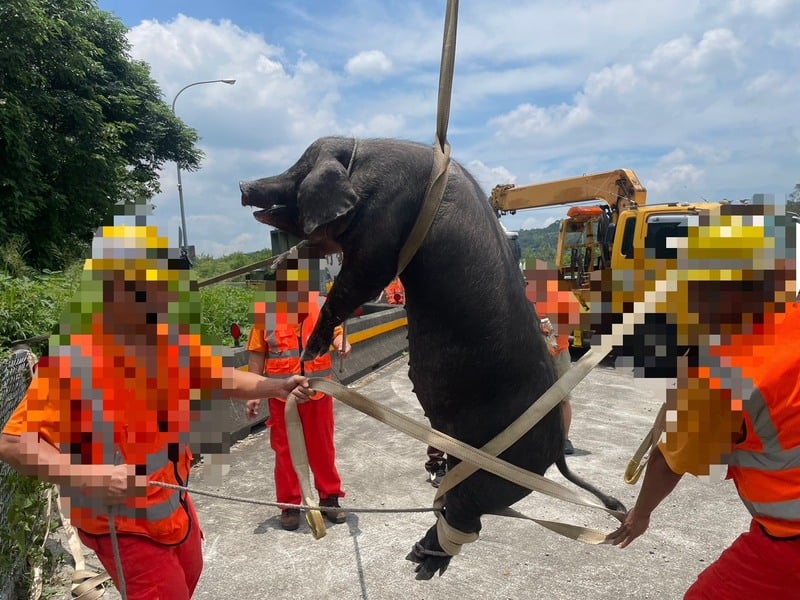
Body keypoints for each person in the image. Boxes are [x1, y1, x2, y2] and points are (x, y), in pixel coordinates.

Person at [0, 225, 312, 600]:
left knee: (189, 578)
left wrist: (274, 386)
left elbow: (218, 377)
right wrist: (87, 477)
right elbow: (14, 443)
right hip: (123, 525)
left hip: (174, 506)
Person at [609, 302, 800, 597]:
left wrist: (641, 514)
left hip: (787, 543)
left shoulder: (722, 368)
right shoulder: (788, 317)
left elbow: (670, 461)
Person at [246, 248, 351, 531]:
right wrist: (254, 392)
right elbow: (257, 355)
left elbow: (337, 332)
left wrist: (342, 344)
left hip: (318, 394)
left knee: (322, 449)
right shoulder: (266, 313)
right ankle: (290, 505)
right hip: (282, 398)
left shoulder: (321, 305)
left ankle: (329, 497)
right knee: (285, 451)